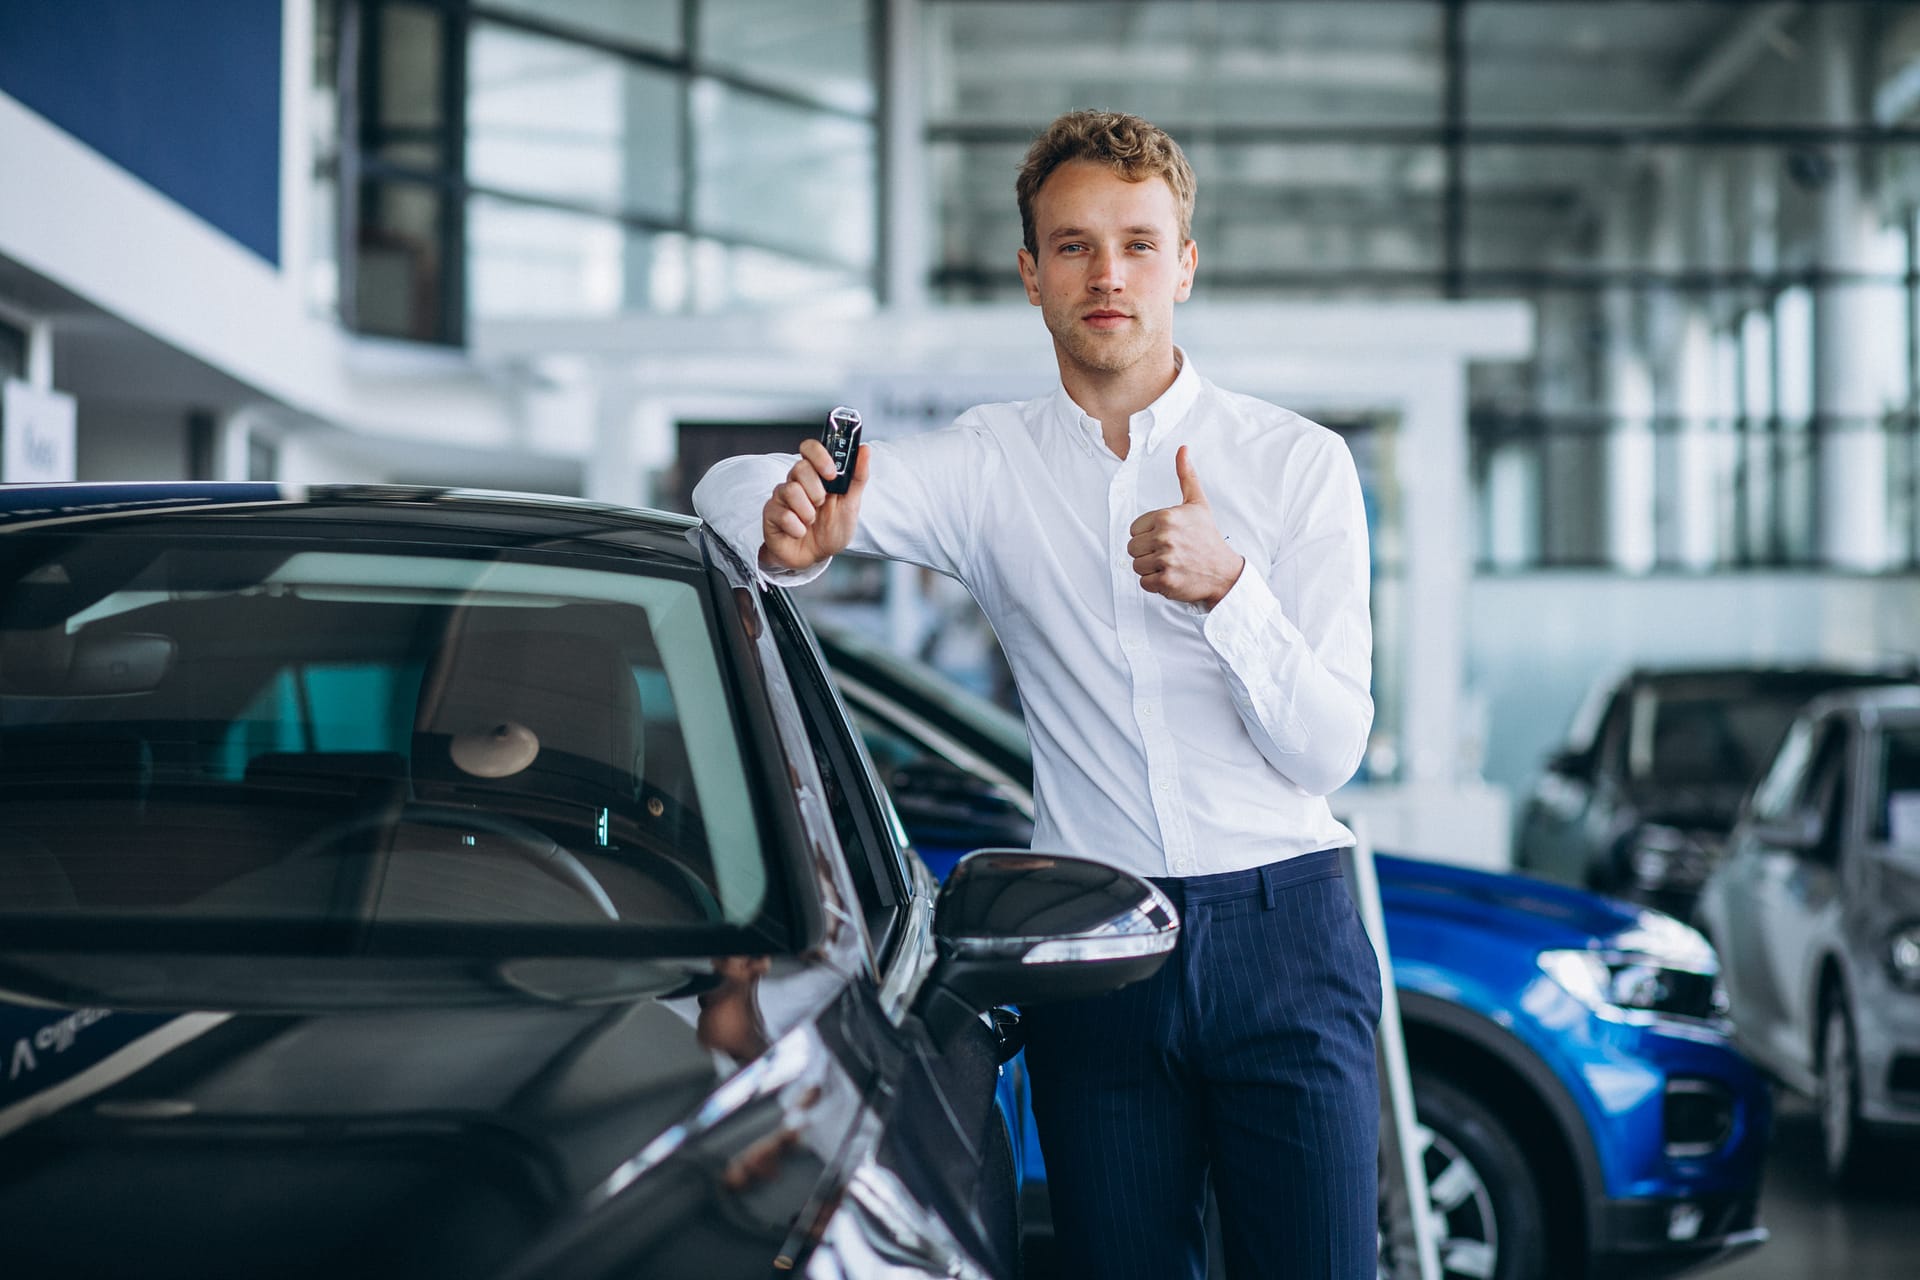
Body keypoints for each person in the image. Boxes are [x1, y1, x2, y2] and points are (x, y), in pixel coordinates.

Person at [694, 109, 1381, 1280]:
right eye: (1072, 245)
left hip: (1288, 938)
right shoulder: (988, 464)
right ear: (1031, 273)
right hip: (1096, 949)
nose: (1107, 273)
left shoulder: (1299, 462)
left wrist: (1232, 594)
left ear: (1185, 265)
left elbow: (1329, 751)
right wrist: (797, 530)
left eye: (1137, 243)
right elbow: (727, 486)